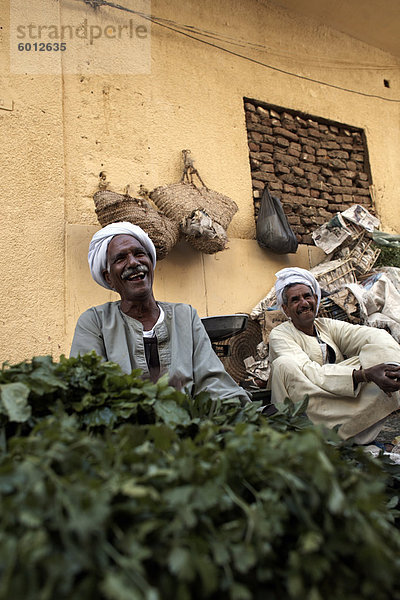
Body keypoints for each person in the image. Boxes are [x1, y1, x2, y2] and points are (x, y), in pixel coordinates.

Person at [70, 222, 249, 405]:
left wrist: (234, 411)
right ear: (109, 278)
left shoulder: (185, 316)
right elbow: (86, 391)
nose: (133, 262)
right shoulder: (95, 322)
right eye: (120, 259)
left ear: (150, 263)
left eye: (139, 253)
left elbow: (214, 383)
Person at [268, 267, 400, 443]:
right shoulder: (280, 334)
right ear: (286, 308)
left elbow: (372, 336)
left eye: (307, 296)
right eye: (295, 300)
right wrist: (363, 375)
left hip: (337, 393)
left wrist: (391, 366)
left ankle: (350, 432)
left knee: (378, 345)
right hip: (308, 400)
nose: (304, 303)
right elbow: (308, 372)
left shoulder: (326, 326)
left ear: (316, 299)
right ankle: (309, 434)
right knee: (284, 365)